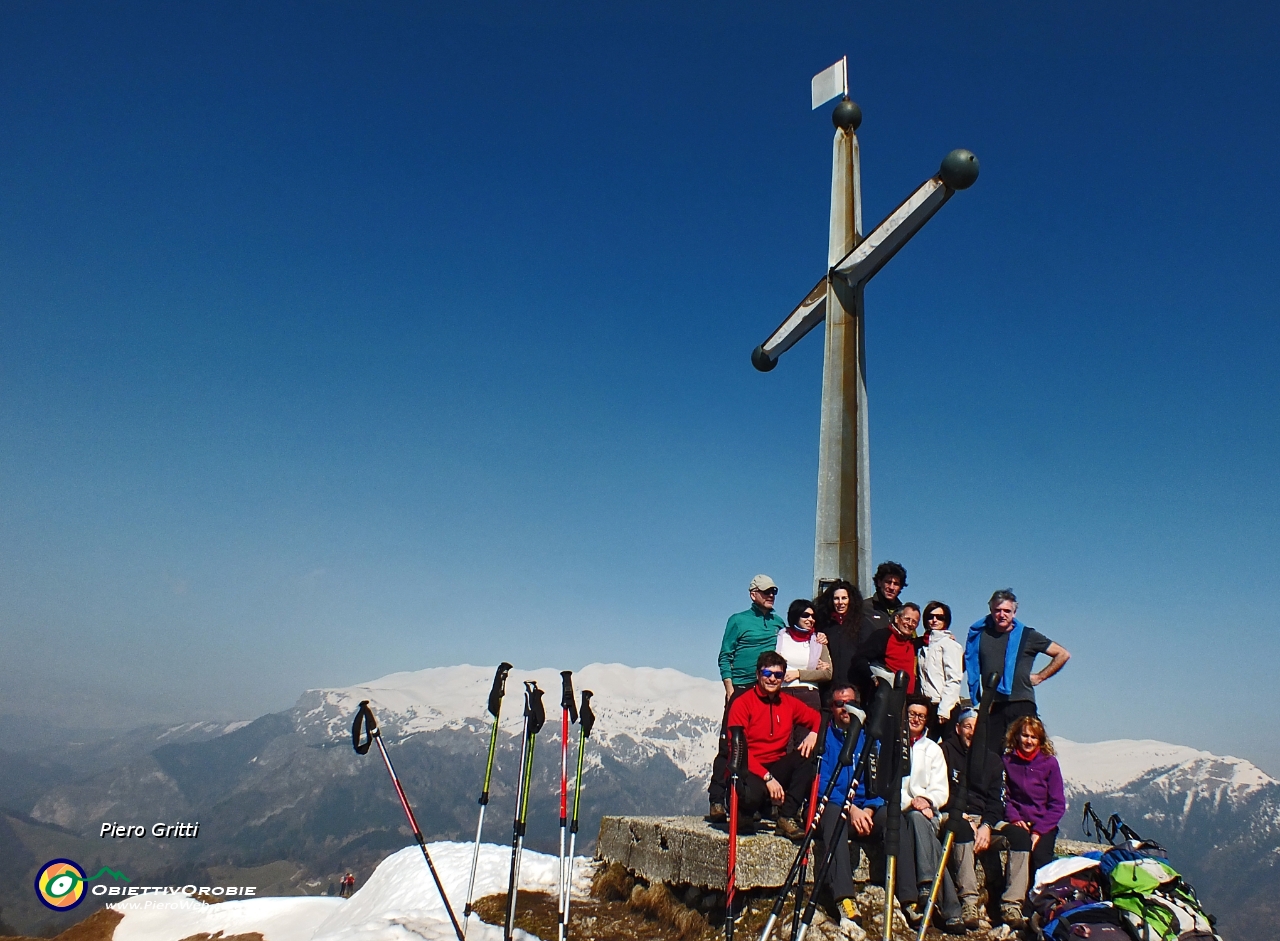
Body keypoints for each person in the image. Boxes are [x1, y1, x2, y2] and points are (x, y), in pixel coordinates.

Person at [965, 589, 1069, 814]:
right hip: (992, 705)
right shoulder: (978, 635)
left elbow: (1062, 654)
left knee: (1026, 757)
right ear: (990, 610)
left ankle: (1030, 810)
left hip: (1022, 703)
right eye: (997, 610)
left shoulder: (1027, 635)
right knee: (990, 757)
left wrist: (1040, 676)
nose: (1001, 615)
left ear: (1014, 611)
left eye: (1006, 611)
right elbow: (970, 664)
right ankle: (991, 809)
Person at [710, 575, 788, 819]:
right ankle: (717, 800)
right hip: (741, 689)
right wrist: (730, 689)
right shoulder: (738, 620)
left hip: (766, 691)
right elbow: (725, 656)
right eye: (766, 592)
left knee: (759, 746)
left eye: (774, 591)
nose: (771, 595)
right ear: (753, 594)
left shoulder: (778, 622)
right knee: (730, 745)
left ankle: (750, 802)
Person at [724, 651, 821, 839]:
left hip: (776, 766)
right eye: (767, 673)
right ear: (758, 674)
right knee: (752, 794)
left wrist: (813, 734)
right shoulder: (742, 703)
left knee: (806, 758)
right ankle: (746, 811)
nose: (772, 679)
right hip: (748, 768)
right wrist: (767, 778)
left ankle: (786, 817)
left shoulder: (789, 703)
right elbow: (735, 748)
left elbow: (817, 718)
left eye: (778, 675)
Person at [897, 697, 964, 934]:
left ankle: (927, 886)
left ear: (926, 720)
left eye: (920, 716)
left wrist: (927, 801)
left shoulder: (934, 750)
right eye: (911, 714)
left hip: (927, 812)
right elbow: (890, 785)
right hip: (902, 810)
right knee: (933, 845)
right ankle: (951, 910)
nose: (915, 719)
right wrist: (911, 802)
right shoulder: (895, 745)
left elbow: (941, 789)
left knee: (920, 822)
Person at [813, 684, 876, 933]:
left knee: (900, 821)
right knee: (832, 816)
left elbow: (880, 782)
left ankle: (910, 896)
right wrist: (851, 809)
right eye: (839, 704)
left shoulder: (870, 738)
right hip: (839, 805)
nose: (845, 708)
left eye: (849, 702)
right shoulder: (825, 737)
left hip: (866, 809)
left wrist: (869, 809)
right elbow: (822, 785)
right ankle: (844, 899)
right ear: (832, 708)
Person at [1002, 715, 1065, 887]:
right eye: (1025, 735)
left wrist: (1038, 831)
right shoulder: (1008, 762)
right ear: (1017, 736)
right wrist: (1014, 818)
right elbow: (1005, 796)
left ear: (1040, 740)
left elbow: (1057, 805)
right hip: (1018, 822)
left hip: (1044, 824)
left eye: (1033, 737)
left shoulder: (1049, 763)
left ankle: (1037, 906)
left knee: (1039, 859)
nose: (1028, 741)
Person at [851, 602, 921, 705]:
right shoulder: (883, 636)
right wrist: (872, 677)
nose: (910, 624)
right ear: (897, 618)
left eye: (914, 622)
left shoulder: (911, 643)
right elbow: (859, 658)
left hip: (907, 701)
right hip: (885, 700)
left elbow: (928, 639)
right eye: (907, 619)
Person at [918, 601, 965, 740]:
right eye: (931, 617)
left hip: (945, 707)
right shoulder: (923, 646)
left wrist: (944, 710)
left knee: (947, 750)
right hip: (928, 706)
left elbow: (954, 679)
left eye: (940, 617)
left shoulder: (950, 645)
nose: (934, 620)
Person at [776, 599, 832, 712]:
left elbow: (827, 673)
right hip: (783, 693)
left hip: (808, 694)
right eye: (806, 615)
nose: (810, 619)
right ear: (795, 616)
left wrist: (799, 674)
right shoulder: (781, 637)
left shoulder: (818, 641)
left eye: (813, 616)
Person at [814, 579, 862, 696]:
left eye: (844, 598)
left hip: (854, 686)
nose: (840, 602)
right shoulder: (823, 624)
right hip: (828, 687)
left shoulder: (862, 623)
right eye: (836, 598)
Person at [860, 561, 907, 637]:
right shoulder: (864, 607)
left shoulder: (903, 612)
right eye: (888, 582)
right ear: (879, 582)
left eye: (896, 584)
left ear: (900, 587)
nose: (891, 587)